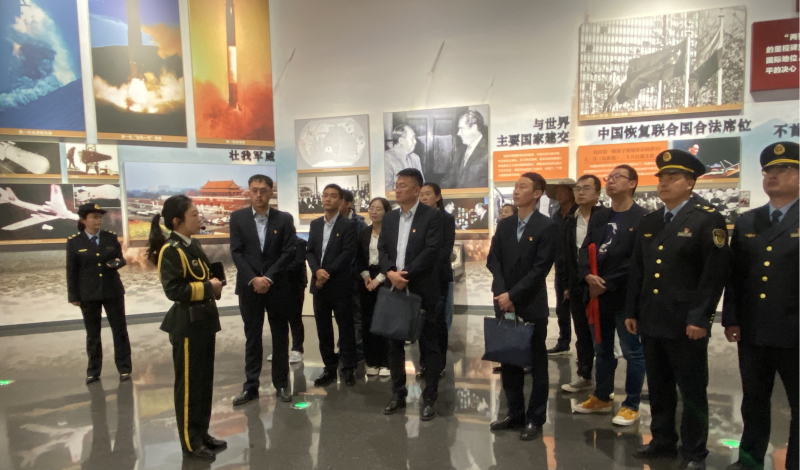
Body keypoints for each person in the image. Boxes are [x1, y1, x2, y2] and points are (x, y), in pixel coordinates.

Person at [625, 150, 729, 470]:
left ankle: (695, 451)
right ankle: (662, 440)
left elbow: (713, 275)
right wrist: (631, 310)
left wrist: (701, 317)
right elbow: (638, 270)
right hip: (653, 318)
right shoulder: (650, 220)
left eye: (672, 178)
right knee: (659, 385)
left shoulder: (706, 218)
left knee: (692, 389)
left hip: (686, 322)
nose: (664, 183)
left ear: (690, 183)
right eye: (661, 178)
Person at [723, 142, 799, 470]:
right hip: (754, 330)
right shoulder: (747, 221)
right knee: (754, 401)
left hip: (795, 330)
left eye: (783, 169)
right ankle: (750, 460)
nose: (772, 176)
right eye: (768, 171)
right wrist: (731, 319)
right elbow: (735, 276)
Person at [146, 195, 226, 461]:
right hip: (188, 325)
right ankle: (190, 442)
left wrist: (215, 285)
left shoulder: (193, 244)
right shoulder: (171, 250)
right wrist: (208, 287)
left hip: (204, 320)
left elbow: (202, 276)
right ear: (177, 221)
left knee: (204, 382)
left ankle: (202, 433)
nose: (199, 217)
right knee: (189, 386)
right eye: (194, 214)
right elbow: (174, 290)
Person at [572, 165, 648, 426]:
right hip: (596, 294)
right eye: (609, 177)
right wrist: (586, 275)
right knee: (602, 349)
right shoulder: (600, 216)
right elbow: (585, 249)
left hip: (624, 296)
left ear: (633, 184)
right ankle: (602, 396)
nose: (611, 181)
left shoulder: (643, 218)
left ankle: (631, 404)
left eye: (618, 177)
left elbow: (637, 261)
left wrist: (606, 282)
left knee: (632, 351)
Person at [488, 172, 558, 441]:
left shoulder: (546, 226)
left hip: (529, 303)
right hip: (503, 302)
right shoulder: (505, 224)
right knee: (509, 361)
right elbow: (493, 260)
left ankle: (535, 418)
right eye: (515, 186)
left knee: (537, 363)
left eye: (522, 187)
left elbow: (540, 269)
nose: (516, 191)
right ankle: (514, 413)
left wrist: (514, 295)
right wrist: (503, 293)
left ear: (537, 193)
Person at [378, 168, 444, 421]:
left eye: (403, 185)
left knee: (429, 345)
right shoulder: (390, 218)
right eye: (396, 185)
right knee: (394, 345)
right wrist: (390, 272)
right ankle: (398, 394)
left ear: (417, 190)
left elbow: (431, 250)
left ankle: (430, 397)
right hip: (394, 288)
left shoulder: (432, 217)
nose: (398, 189)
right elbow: (382, 249)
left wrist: (405, 274)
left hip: (422, 288)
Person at [230, 175, 297, 406]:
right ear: (249, 192)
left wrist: (267, 277)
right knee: (252, 337)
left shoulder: (283, 219)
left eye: (263, 190)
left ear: (271, 192)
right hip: (249, 288)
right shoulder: (237, 218)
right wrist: (253, 279)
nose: (259, 194)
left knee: (280, 336)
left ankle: (281, 384)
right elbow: (236, 252)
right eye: (254, 190)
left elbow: (288, 251)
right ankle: (250, 386)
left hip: (277, 286)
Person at [67, 203, 131, 385]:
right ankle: (93, 371)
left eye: (100, 217)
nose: (98, 220)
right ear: (83, 220)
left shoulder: (110, 237)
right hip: (88, 294)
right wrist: (73, 296)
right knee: (93, 334)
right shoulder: (74, 242)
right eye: (94, 217)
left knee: (119, 331)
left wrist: (116, 264)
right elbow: (71, 271)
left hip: (112, 290)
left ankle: (124, 368)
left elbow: (120, 258)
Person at [306, 184, 359, 387]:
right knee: (323, 329)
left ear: (341, 201)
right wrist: (316, 271)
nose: (328, 199)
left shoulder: (349, 225)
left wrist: (325, 273)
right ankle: (329, 368)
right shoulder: (315, 224)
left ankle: (348, 368)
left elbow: (347, 253)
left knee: (345, 328)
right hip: (319, 286)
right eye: (325, 195)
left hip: (340, 285)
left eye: (333, 196)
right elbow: (310, 251)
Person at [557, 175, 600, 394]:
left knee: (601, 334)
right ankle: (584, 375)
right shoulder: (570, 221)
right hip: (576, 284)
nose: (580, 192)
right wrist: (566, 285)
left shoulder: (605, 218)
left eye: (586, 188)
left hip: (601, 284)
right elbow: (566, 256)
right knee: (582, 333)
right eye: (577, 188)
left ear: (598, 193)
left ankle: (605, 384)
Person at [418, 182, 456, 378]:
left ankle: (438, 365)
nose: (424, 197)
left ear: (438, 196)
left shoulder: (446, 219)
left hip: (438, 276)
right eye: (421, 194)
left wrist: (425, 264)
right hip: (419, 277)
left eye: (427, 194)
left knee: (438, 322)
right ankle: (424, 363)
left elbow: (445, 249)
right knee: (422, 322)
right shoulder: (417, 218)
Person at [357, 197, 392, 377]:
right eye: (371, 208)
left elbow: (392, 258)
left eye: (379, 209)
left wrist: (379, 279)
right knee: (368, 320)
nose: (374, 211)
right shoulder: (364, 232)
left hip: (386, 277)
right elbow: (359, 257)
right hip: (367, 278)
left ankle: (386, 362)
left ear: (386, 212)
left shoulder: (391, 232)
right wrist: (366, 277)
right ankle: (372, 360)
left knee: (385, 320)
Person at [547, 180, 578, 356]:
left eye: (562, 191)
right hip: (560, 268)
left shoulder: (579, 213)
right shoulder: (556, 216)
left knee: (579, 311)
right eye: (557, 192)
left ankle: (585, 348)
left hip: (577, 268)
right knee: (561, 309)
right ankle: (563, 342)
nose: (559, 195)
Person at [488, 202, 517, 374]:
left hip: (518, 290)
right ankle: (506, 360)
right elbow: (490, 262)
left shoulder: (521, 234)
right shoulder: (496, 237)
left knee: (518, 325)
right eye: (501, 212)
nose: (503, 214)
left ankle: (522, 360)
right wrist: (500, 280)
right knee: (502, 323)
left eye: (507, 212)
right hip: (499, 288)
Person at [341, 189, 367, 359]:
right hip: (338, 277)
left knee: (357, 314)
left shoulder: (360, 225)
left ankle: (358, 349)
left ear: (348, 204)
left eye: (339, 199)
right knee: (343, 315)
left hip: (355, 276)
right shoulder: (330, 222)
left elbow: (361, 253)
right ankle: (344, 347)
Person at [441, 110, 489, 189]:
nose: (458, 133)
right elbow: (450, 176)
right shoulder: (460, 150)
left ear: (474, 127)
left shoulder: (488, 150)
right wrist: (436, 191)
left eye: (462, 128)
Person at [384, 125, 424, 191]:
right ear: (401, 140)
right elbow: (386, 188)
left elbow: (422, 184)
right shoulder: (386, 158)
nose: (415, 141)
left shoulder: (415, 158)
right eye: (412, 138)